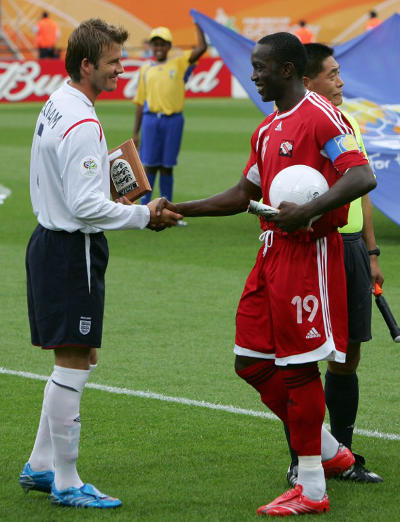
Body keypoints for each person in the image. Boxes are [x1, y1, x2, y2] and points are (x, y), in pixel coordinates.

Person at [174, 32, 376, 517]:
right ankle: (329, 451)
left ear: (287, 69)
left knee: (300, 367)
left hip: (309, 255)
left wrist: (308, 211)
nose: (254, 74)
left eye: (261, 67)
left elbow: (360, 175)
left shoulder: (324, 116)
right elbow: (243, 195)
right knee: (250, 361)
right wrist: (177, 209)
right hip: (270, 254)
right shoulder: (266, 131)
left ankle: (311, 488)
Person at [19, 18, 181, 510]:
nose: (121, 68)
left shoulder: (57, 101)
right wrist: (144, 214)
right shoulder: (84, 121)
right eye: (112, 61)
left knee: (78, 356)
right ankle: (66, 483)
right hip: (73, 251)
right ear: (86, 64)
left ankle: (41, 465)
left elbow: (75, 189)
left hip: (50, 242)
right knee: (73, 361)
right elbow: (88, 206)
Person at [283, 42, 384, 486]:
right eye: (332, 74)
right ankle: (301, 458)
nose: (341, 82)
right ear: (307, 81)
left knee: (349, 357)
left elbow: (361, 190)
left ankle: (341, 453)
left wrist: (372, 252)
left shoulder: (347, 123)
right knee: (305, 359)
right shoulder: (296, 129)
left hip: (353, 254)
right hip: (314, 252)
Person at [133, 24, 207, 221]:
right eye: (155, 43)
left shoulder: (179, 63)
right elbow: (140, 101)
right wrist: (135, 131)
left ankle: (168, 212)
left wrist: (198, 23)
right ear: (151, 46)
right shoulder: (145, 68)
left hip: (173, 121)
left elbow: (201, 48)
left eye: (162, 44)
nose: (158, 47)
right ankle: (144, 212)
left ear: (168, 46)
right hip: (150, 120)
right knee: (148, 165)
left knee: (166, 167)